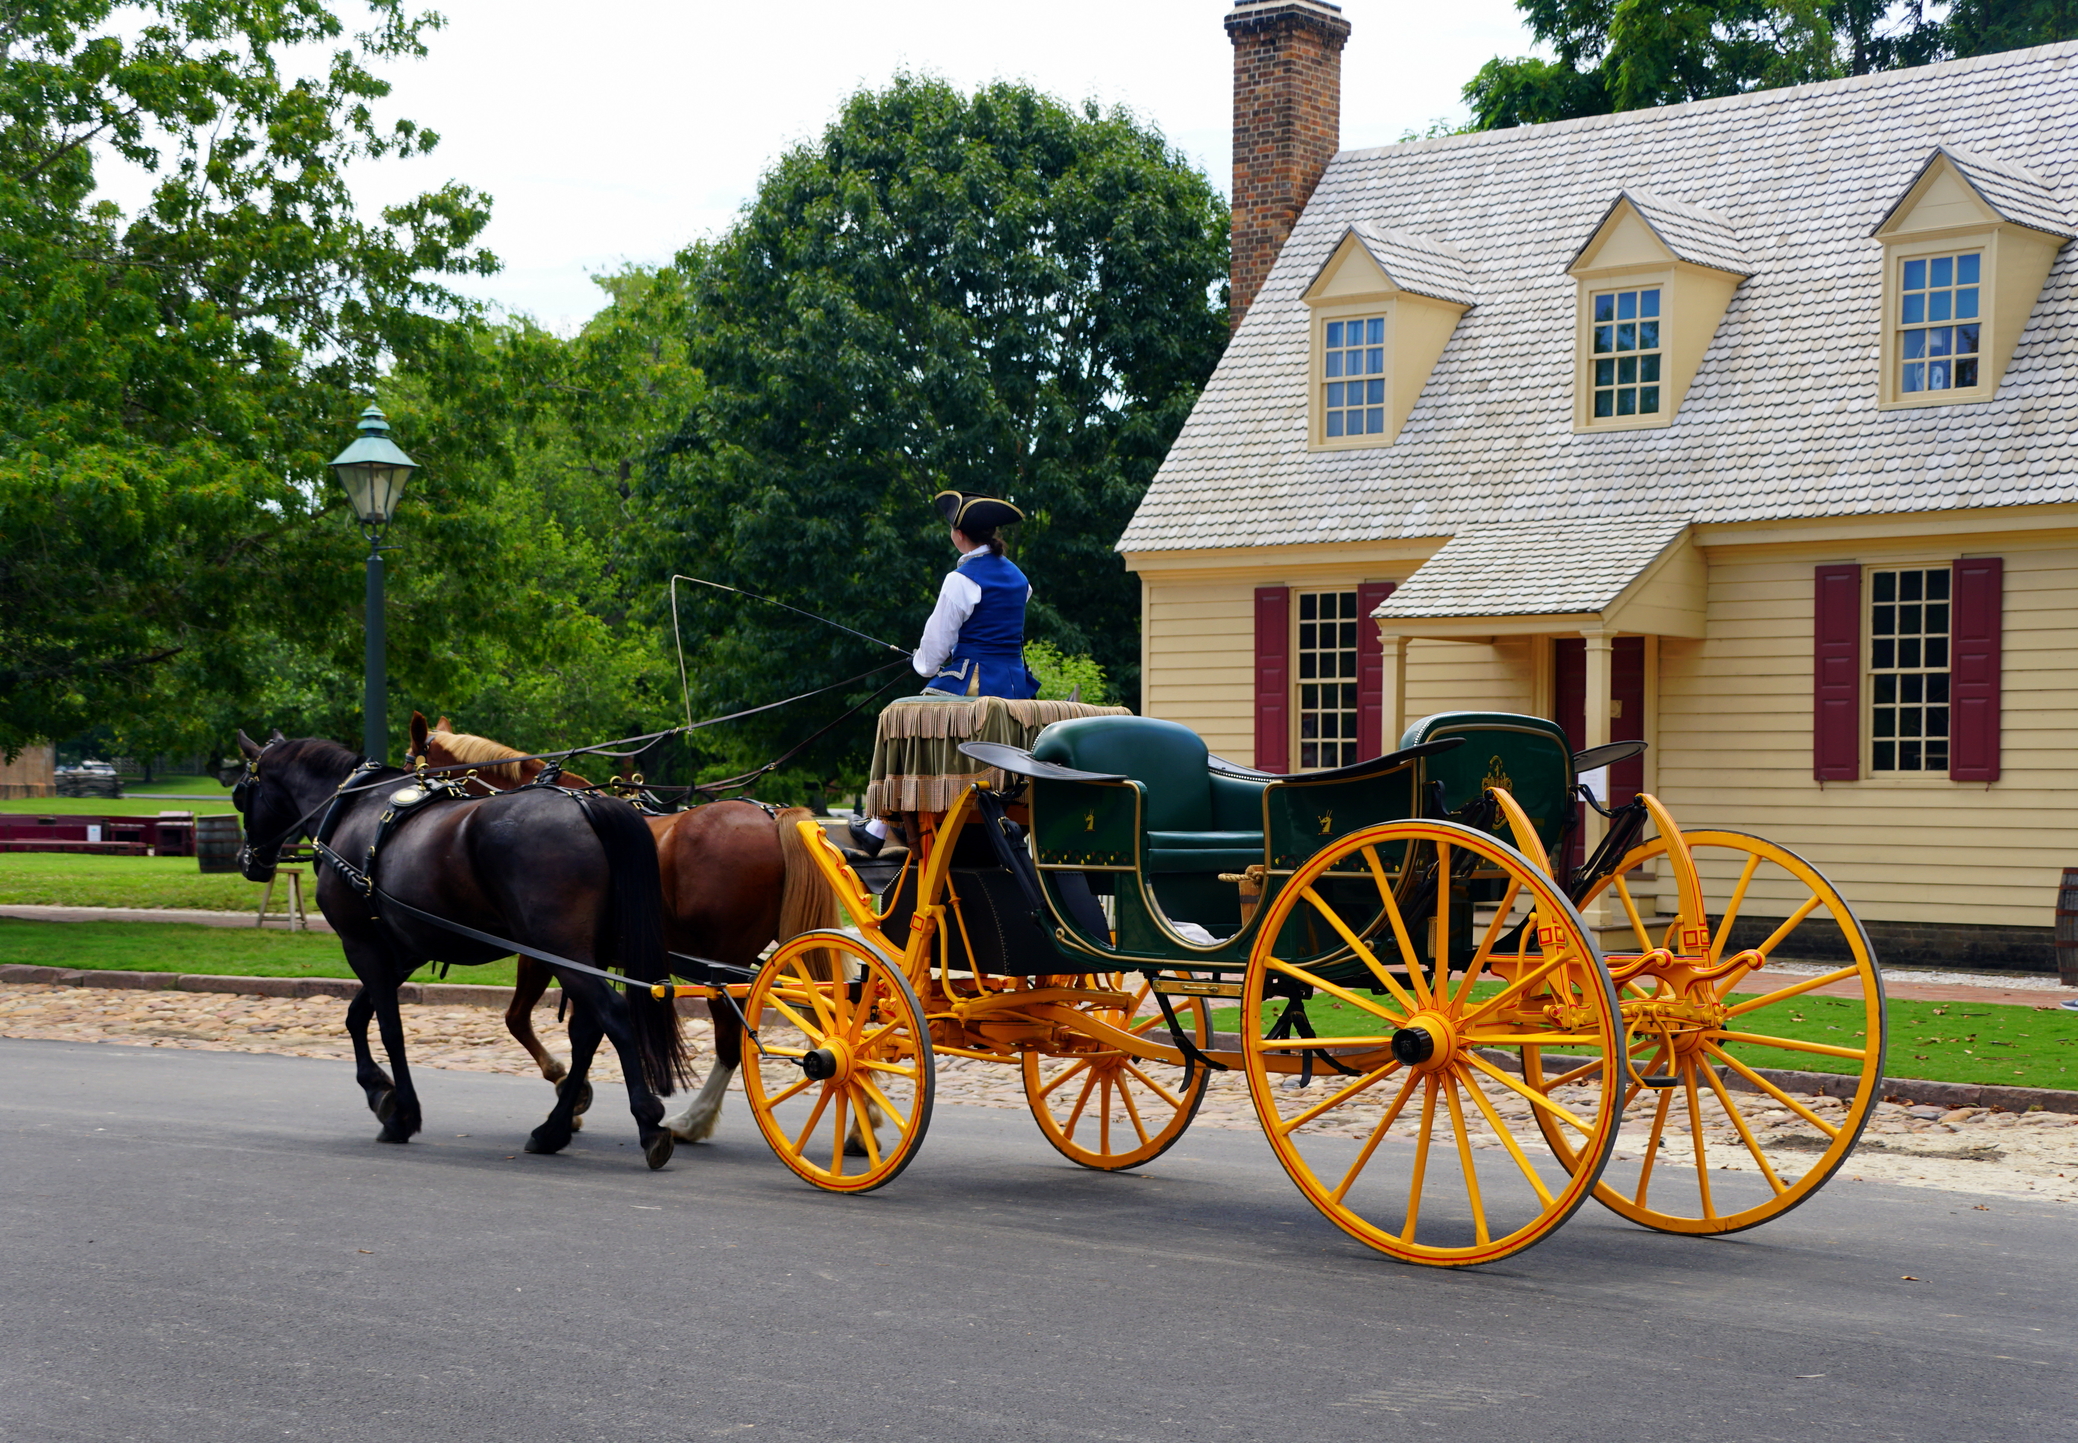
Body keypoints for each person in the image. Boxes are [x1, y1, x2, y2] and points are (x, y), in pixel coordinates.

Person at [850, 490, 1038, 856]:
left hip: (974, 684)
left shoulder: (960, 578)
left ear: (958, 534)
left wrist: (921, 665)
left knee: (902, 719)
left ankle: (878, 825)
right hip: (1016, 686)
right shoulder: (1019, 578)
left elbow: (936, 646)